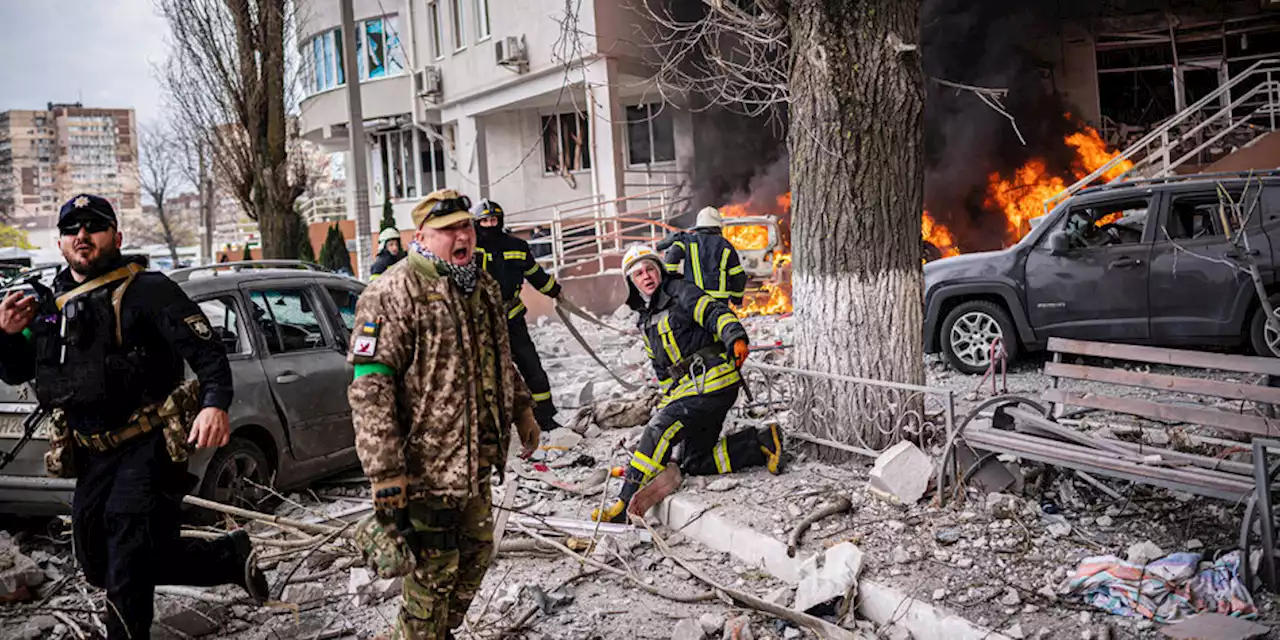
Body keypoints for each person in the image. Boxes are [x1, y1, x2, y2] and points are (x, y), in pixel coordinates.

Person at [0, 194, 267, 639]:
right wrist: (7, 335)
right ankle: (229, 557)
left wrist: (215, 404)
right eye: (72, 229)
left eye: (94, 226)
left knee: (126, 559)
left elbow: (208, 353)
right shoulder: (52, 300)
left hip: (147, 445)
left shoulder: (148, 289)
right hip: (90, 454)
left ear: (116, 237)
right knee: (98, 563)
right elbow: (18, 370)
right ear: (61, 242)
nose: (82, 236)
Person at [347, 188, 542, 639]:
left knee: (474, 557)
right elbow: (370, 389)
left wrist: (523, 411)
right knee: (433, 578)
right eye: (448, 229)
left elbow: (499, 359)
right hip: (425, 471)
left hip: (473, 465)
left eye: (466, 226)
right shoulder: (392, 292)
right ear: (422, 235)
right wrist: (385, 473)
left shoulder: (483, 287)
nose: (462, 236)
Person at [592, 245, 784, 523]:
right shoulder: (645, 319)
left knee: (659, 428)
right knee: (694, 462)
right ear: (631, 282)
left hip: (714, 381)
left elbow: (715, 312)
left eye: (650, 269)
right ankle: (760, 441)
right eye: (638, 274)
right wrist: (668, 396)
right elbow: (660, 367)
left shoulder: (681, 291)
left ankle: (623, 503)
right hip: (690, 390)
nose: (646, 276)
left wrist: (735, 337)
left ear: (659, 270)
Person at [472, 199, 564, 431]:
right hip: (482, 322)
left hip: (512, 318)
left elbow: (534, 274)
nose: (489, 225)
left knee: (530, 365)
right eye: (484, 221)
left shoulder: (517, 246)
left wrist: (555, 291)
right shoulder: (471, 248)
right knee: (486, 374)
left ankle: (544, 417)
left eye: (493, 220)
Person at [657, 206, 748, 304]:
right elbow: (738, 275)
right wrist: (736, 299)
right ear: (718, 226)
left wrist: (674, 281)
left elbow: (671, 257)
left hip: (693, 298)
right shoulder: (725, 245)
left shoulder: (688, 241)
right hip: (719, 301)